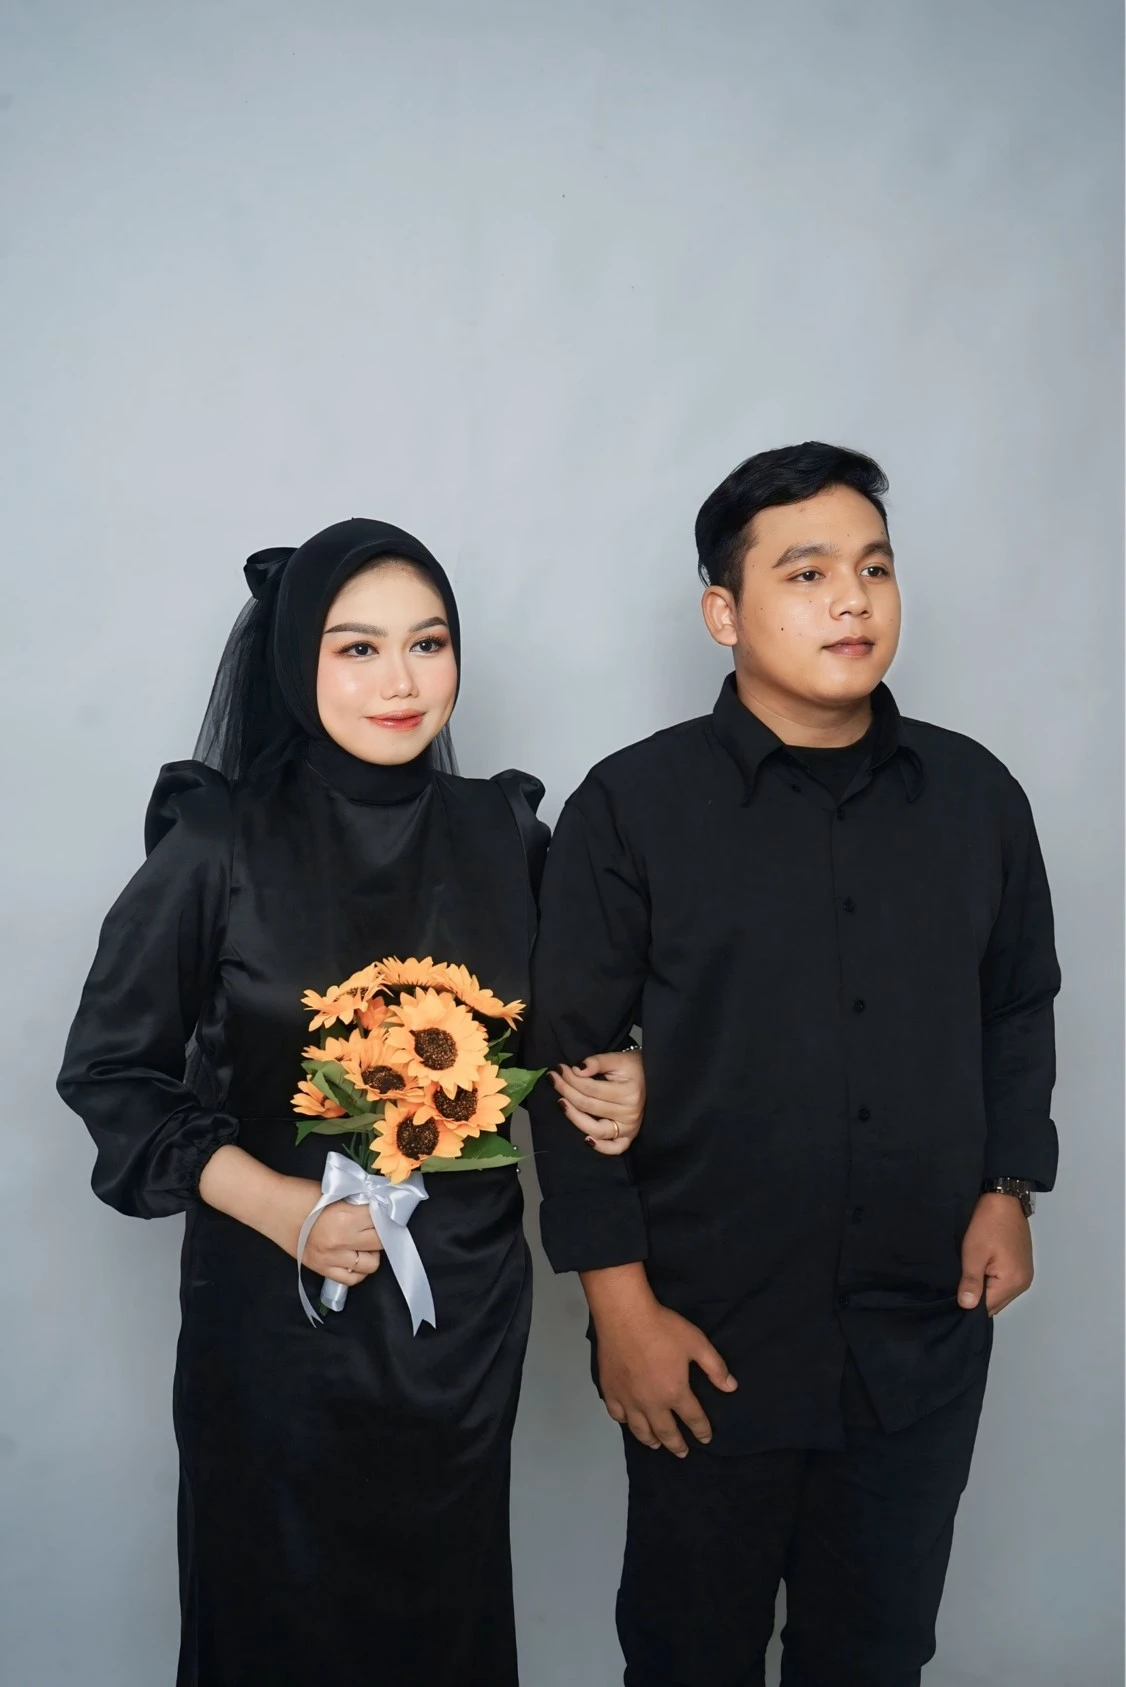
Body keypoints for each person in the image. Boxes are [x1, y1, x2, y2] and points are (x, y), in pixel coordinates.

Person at [57, 519, 645, 1687]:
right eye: (358, 648)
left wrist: (624, 1074)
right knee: (275, 1623)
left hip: (458, 1324)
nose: (400, 680)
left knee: (442, 1629)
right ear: (296, 662)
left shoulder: (505, 835)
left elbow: (562, 1038)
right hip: (275, 1327)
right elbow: (112, 1071)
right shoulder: (218, 839)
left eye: (428, 643)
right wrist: (282, 1208)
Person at [527, 443, 1060, 1687]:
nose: (851, 601)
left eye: (874, 567)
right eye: (807, 572)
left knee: (875, 1654)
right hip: (704, 1332)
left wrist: (1008, 1187)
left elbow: (1015, 1005)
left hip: (917, 1330)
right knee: (688, 1655)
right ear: (723, 612)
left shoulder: (977, 797)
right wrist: (620, 1312)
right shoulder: (632, 805)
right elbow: (564, 1066)